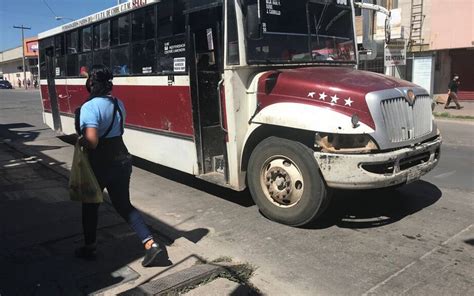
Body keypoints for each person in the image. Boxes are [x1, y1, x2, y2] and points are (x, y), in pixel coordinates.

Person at [74, 64, 162, 267]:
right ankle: (151, 244)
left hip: (99, 163)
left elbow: (93, 141)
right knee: (124, 205)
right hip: (122, 159)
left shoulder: (89, 107)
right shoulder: (117, 103)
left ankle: (90, 248)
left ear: (91, 84)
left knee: (90, 206)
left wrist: (80, 140)